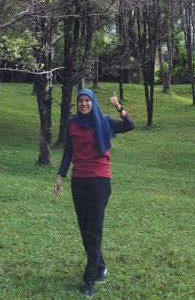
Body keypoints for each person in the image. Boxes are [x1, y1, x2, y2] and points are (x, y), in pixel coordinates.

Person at [54, 88, 135, 297]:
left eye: (87, 100)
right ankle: (100, 266)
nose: (84, 104)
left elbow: (129, 125)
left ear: (92, 102)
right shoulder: (72, 123)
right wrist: (60, 175)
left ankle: (90, 278)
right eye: (80, 101)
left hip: (100, 179)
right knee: (85, 227)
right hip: (79, 180)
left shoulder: (104, 120)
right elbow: (68, 151)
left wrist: (119, 108)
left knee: (94, 227)